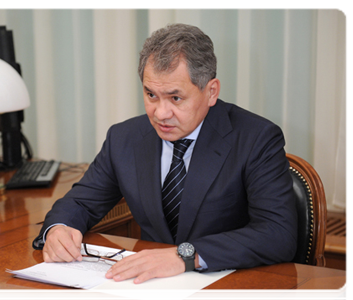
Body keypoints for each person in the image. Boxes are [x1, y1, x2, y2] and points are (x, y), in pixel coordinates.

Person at [33, 23, 297, 284]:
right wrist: (59, 230)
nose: (160, 113)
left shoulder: (256, 138)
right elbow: (80, 202)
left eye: (175, 98)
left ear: (211, 91)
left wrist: (185, 256)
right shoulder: (124, 138)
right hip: (148, 286)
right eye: (151, 95)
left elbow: (277, 234)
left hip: (229, 285)